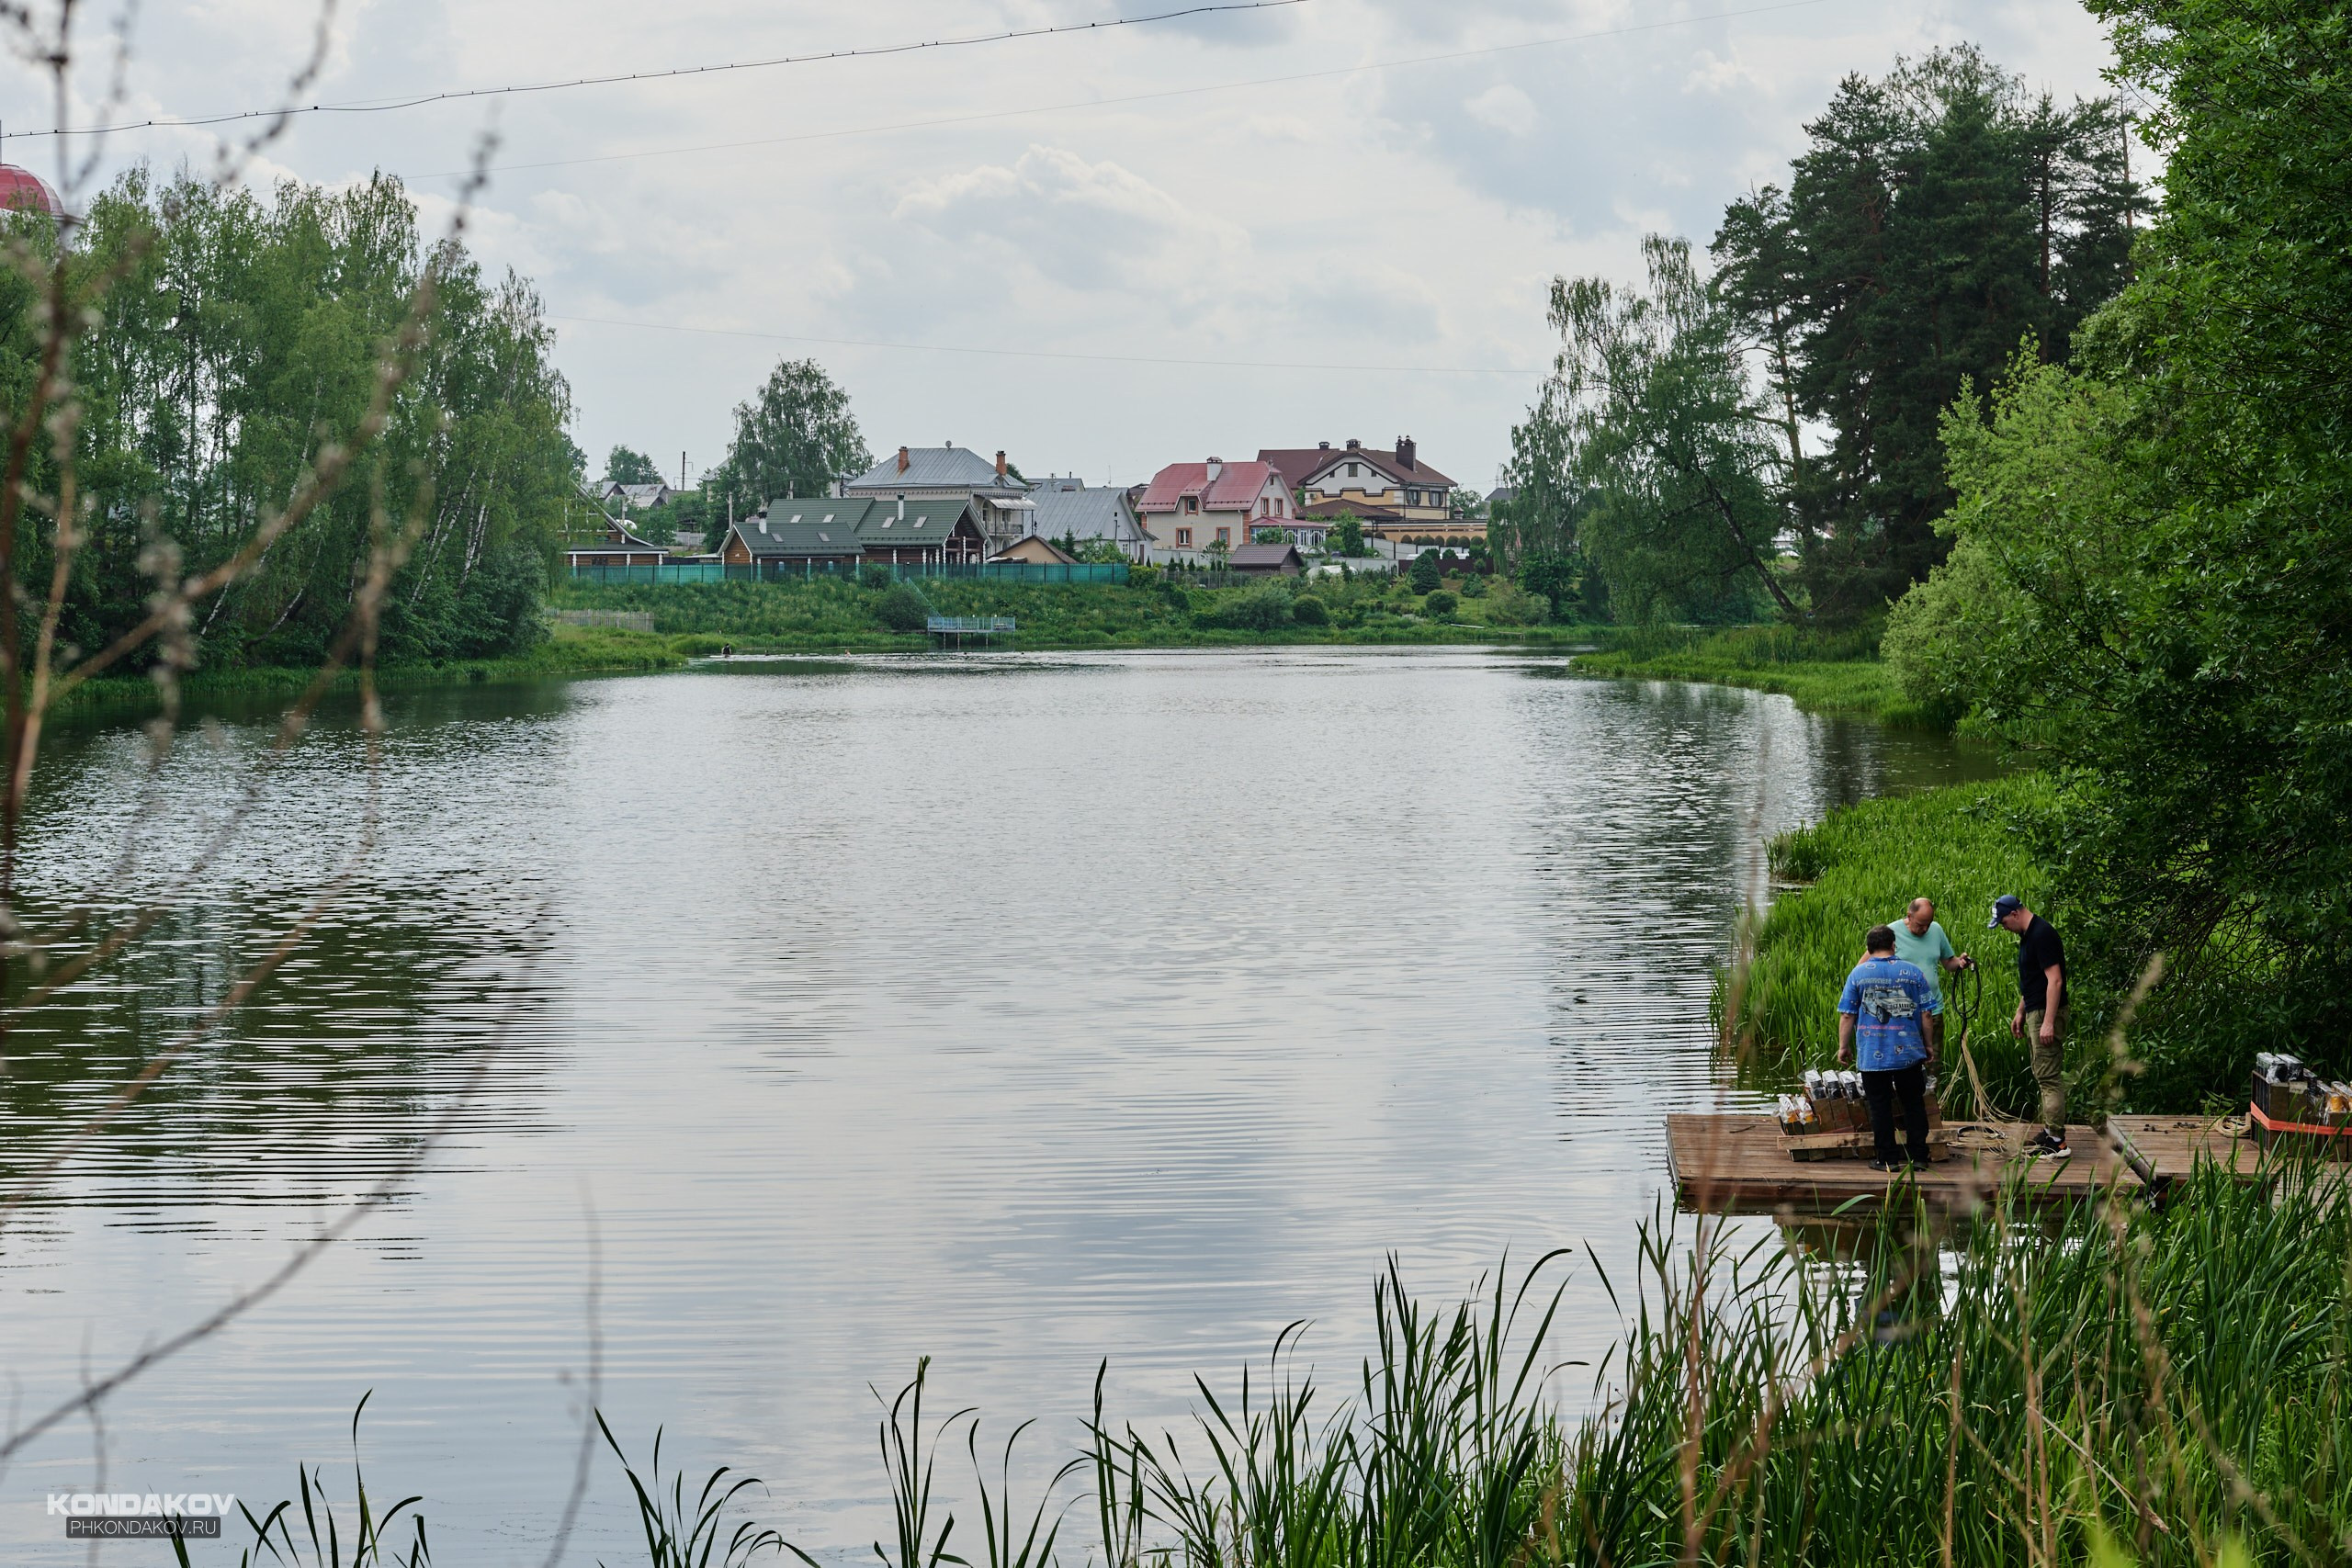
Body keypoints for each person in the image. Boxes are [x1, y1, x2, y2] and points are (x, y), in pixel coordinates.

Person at [1836, 924, 1942, 1172]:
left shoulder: (1858, 974)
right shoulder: (1913, 973)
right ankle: (1919, 1157)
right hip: (1909, 1052)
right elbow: (1927, 1014)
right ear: (1894, 945)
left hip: (1873, 1055)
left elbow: (1847, 1015)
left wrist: (1843, 1046)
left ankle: (1887, 1159)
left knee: (1879, 1106)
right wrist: (1927, 1045)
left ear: (1868, 948)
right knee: (1913, 1103)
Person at [1991, 894, 2069, 1157]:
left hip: (2047, 1013)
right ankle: (2049, 1132)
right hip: (2036, 1009)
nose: (2003, 927)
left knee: (2049, 1076)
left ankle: (2057, 1141)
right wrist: (2020, 1010)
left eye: (2003, 922)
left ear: (2015, 913)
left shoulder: (2042, 935)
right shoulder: (2028, 936)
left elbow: (2055, 981)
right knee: (2041, 1072)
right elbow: (2033, 979)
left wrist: (2048, 1021)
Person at [1890, 897, 1973, 1058]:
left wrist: (1960, 962)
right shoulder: (1891, 932)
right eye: (1921, 925)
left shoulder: (1936, 930)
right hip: (1902, 1013)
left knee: (1932, 1062)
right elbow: (1867, 965)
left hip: (1933, 1010)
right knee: (1904, 1061)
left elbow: (1949, 962)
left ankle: (1933, 1084)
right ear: (1909, 916)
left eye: (1928, 924)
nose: (1925, 929)